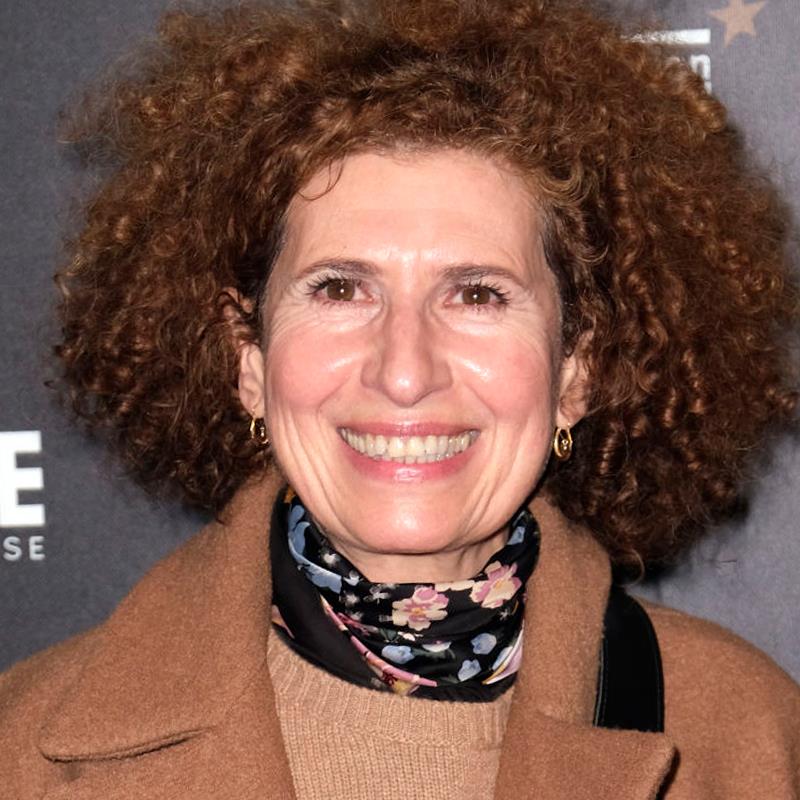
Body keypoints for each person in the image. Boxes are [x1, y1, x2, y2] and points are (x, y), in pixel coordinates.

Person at [1, 0, 799, 797]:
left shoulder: (749, 739)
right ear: (248, 357)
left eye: (477, 295)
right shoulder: (21, 747)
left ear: (575, 373)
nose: (406, 372)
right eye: (341, 289)